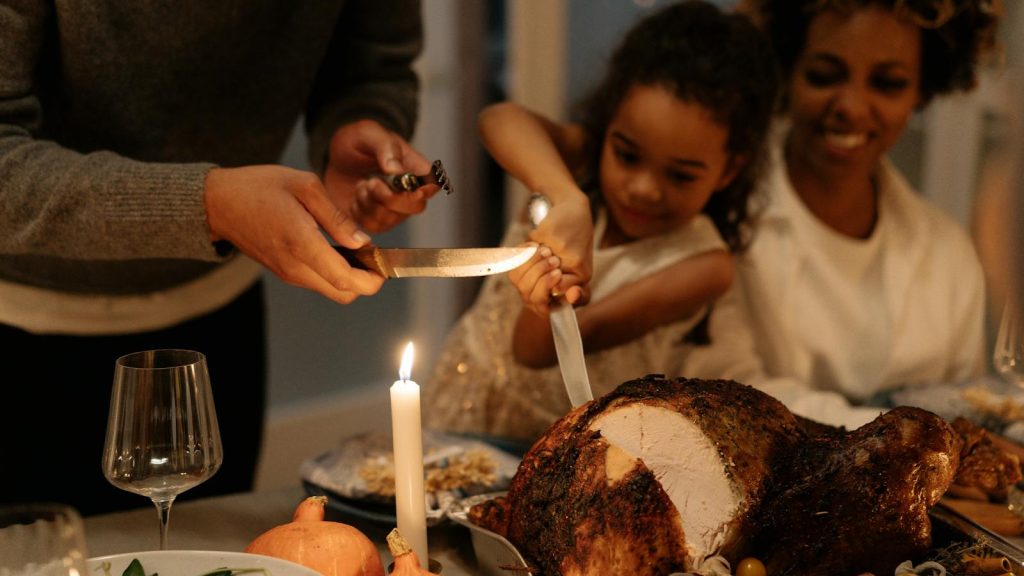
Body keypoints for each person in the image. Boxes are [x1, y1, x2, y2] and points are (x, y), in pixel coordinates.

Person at [0, 1, 440, 515]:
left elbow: (375, 62)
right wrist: (207, 206)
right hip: (23, 336)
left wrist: (357, 121)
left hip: (217, 317)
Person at [423, 0, 780, 444]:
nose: (644, 188)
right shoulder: (582, 164)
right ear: (609, 124)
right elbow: (497, 118)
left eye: (680, 174)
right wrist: (567, 196)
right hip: (459, 402)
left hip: (542, 445)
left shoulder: (703, 267)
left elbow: (532, 351)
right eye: (627, 155)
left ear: (728, 171)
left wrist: (550, 291)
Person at [688, 0, 1001, 428]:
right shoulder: (718, 217)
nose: (852, 106)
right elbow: (725, 394)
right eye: (824, 76)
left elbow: (965, 418)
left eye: (888, 83)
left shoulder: (949, 254)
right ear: (786, 70)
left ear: (922, 91)